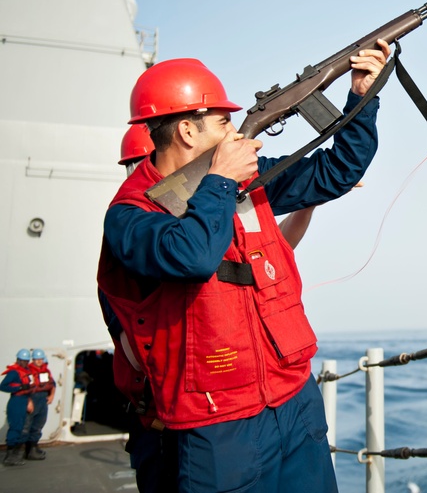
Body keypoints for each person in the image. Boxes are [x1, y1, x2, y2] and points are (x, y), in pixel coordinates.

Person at [98, 43, 389, 493]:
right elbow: (191, 258)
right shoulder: (130, 214)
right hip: (218, 423)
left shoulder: (245, 182)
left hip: (294, 400)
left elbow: (337, 172)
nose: (238, 133)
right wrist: (219, 182)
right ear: (188, 132)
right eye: (223, 122)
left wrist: (362, 97)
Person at [1, 349, 34, 467]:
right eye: (22, 361)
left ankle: (15, 454)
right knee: (15, 427)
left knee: (20, 427)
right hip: (16, 402)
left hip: (24, 401)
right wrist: (19, 388)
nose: (25, 363)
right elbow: (3, 386)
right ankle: (9, 456)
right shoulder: (14, 373)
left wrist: (29, 400)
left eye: (26, 361)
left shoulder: (26, 372)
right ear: (18, 360)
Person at [23, 349, 55, 461]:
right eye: (37, 359)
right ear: (33, 359)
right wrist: (28, 402)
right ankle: (24, 450)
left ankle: (33, 448)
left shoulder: (45, 371)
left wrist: (51, 396)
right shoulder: (28, 371)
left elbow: (52, 384)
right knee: (27, 426)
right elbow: (24, 388)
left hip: (43, 399)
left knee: (38, 425)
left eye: (41, 359)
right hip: (33, 398)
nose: (39, 361)